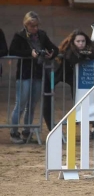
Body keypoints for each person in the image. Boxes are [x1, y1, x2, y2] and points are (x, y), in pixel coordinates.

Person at [43, 29, 94, 139]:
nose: (81, 44)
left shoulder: (85, 48)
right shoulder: (68, 49)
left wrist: (85, 53)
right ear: (73, 42)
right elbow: (72, 58)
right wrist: (83, 54)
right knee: (47, 99)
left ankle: (83, 128)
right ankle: (52, 129)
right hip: (53, 74)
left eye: (83, 41)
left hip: (71, 77)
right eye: (78, 41)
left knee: (79, 100)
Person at [9, 11, 59, 144]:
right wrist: (29, 53)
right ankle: (14, 132)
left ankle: (27, 131)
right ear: (26, 25)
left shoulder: (42, 35)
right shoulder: (19, 36)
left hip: (38, 73)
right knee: (20, 104)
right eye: (32, 26)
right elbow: (12, 51)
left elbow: (54, 48)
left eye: (36, 26)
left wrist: (51, 54)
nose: (35, 29)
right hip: (24, 74)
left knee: (32, 105)